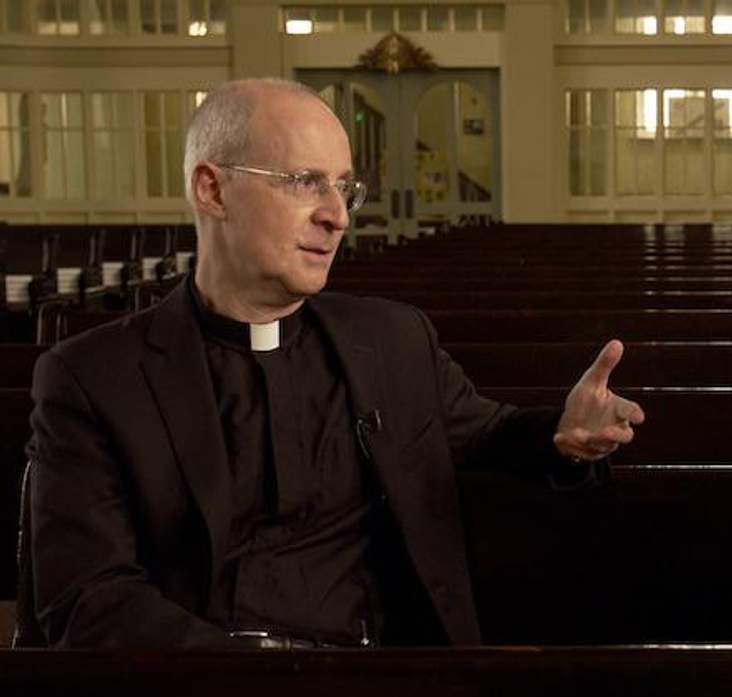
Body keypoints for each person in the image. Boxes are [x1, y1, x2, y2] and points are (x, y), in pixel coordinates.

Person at [25, 78, 645, 649]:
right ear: (212, 190)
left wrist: (561, 435)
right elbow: (88, 599)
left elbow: (483, 432)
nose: (338, 215)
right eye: (303, 181)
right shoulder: (93, 378)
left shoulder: (392, 339)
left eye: (344, 186)